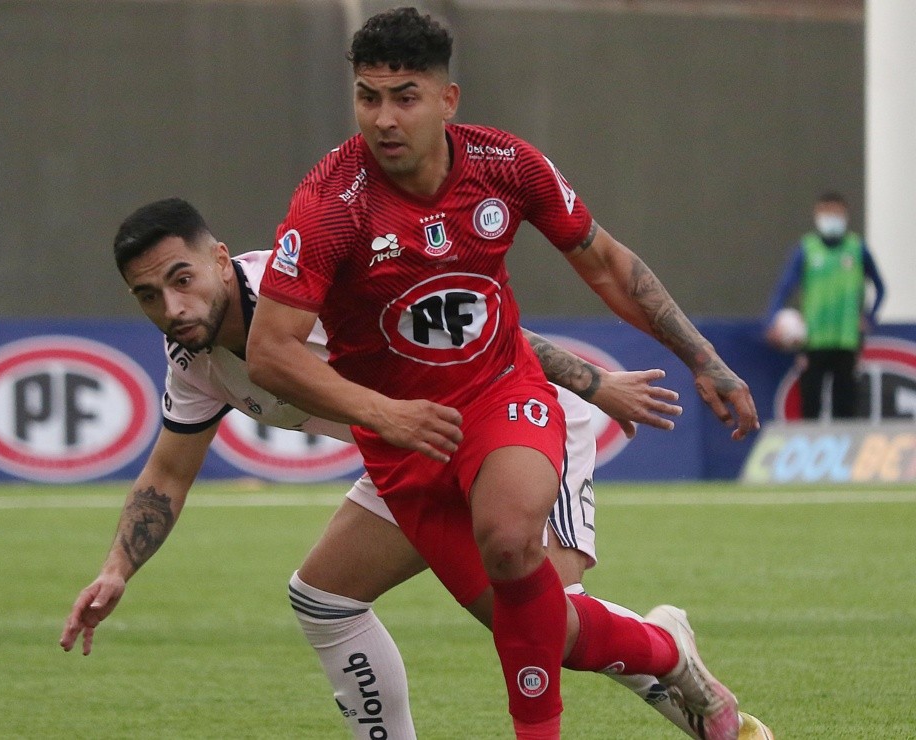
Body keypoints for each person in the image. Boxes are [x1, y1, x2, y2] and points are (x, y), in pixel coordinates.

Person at [60, 199, 772, 740]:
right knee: (324, 598)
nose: (171, 308)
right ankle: (669, 662)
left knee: (541, 629)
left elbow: (469, 318)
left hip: (512, 417)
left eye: (181, 280)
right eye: (149, 297)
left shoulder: (309, 288)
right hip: (411, 450)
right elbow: (168, 473)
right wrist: (118, 568)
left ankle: (669, 656)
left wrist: (592, 381)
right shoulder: (194, 357)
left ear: (219, 260)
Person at [246, 8, 759, 740]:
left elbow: (607, 263)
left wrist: (702, 359)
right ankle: (669, 652)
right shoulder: (331, 204)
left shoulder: (505, 166)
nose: (384, 118)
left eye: (405, 96)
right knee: (550, 627)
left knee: (513, 539)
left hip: (500, 395)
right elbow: (272, 350)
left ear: (448, 100)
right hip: (405, 444)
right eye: (368, 96)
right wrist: (383, 415)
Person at [765, 191, 885, 420]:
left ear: (846, 215)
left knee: (845, 406)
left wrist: (869, 317)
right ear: (817, 215)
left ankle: (845, 453)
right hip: (813, 340)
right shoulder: (807, 249)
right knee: (810, 405)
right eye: (826, 213)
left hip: (846, 340)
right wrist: (772, 321)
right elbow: (784, 288)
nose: (831, 218)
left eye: (836, 213)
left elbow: (880, 287)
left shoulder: (857, 249)